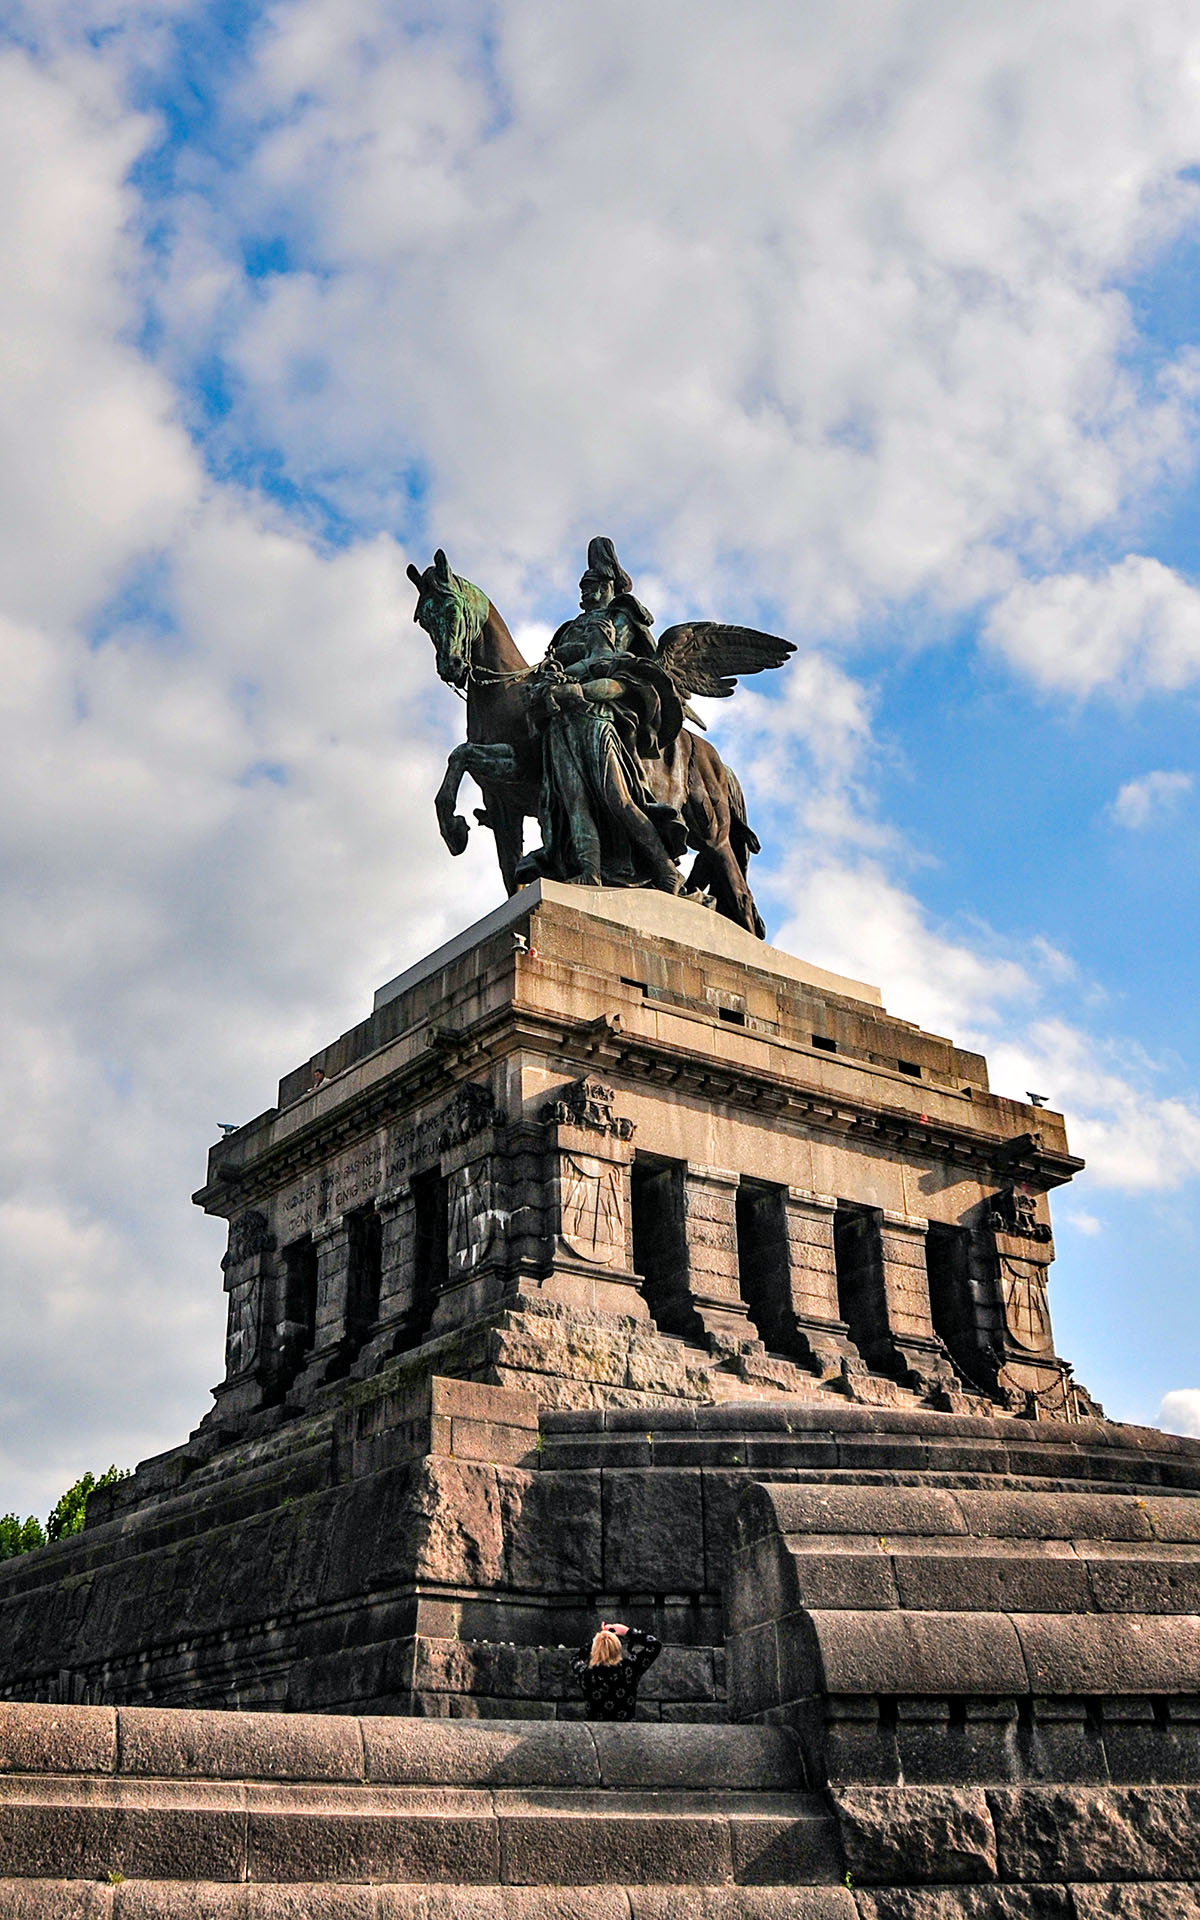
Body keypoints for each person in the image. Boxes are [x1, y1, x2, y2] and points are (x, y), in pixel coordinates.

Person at [515, 539, 689, 895]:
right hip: (560, 724)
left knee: (618, 799)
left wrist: (574, 683)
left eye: (592, 585)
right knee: (573, 801)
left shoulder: (620, 617)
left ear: (609, 585)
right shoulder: (567, 628)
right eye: (583, 587)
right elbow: (555, 665)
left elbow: (610, 665)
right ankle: (589, 871)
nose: (586, 592)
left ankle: (666, 870)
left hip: (597, 719)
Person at [571, 1618, 662, 1722]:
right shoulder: (629, 1668)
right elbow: (655, 1645)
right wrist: (627, 1631)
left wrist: (599, 1640)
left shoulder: (586, 1674)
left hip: (596, 1729)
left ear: (594, 1651)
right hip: (626, 1728)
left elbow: (575, 1658)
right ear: (617, 1648)